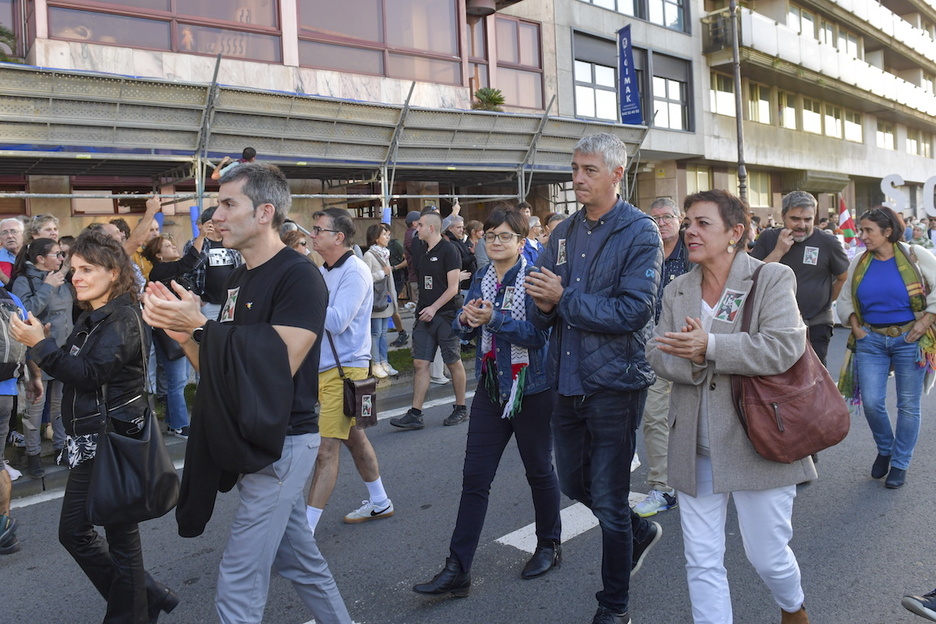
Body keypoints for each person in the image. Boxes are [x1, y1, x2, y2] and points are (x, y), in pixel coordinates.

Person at [141, 163, 351, 624]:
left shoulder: (299, 276)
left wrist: (201, 326)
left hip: (284, 443)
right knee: (300, 561)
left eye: (228, 204)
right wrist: (184, 335)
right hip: (253, 440)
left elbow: (279, 363)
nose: (216, 215)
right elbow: (222, 369)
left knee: (239, 577)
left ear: (264, 213)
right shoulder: (238, 278)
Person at [646, 189, 815, 624]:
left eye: (703, 223)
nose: (690, 231)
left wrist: (710, 347)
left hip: (758, 440)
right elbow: (657, 353)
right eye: (688, 223)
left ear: (735, 232)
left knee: (767, 556)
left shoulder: (769, 278)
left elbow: (784, 347)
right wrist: (694, 361)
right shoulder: (677, 289)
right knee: (701, 560)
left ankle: (792, 606)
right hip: (694, 445)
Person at [525, 133, 663, 624]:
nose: (577, 178)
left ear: (617, 174)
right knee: (573, 482)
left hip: (616, 383)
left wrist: (562, 298)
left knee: (608, 496)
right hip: (566, 380)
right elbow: (540, 308)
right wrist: (545, 305)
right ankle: (638, 530)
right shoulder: (563, 232)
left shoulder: (640, 231)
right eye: (574, 168)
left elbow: (634, 311)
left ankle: (614, 607)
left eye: (589, 170)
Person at [10, 229, 180, 623]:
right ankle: (148, 598)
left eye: (87, 269)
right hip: (93, 439)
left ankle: (135, 610)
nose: (77, 277)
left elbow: (88, 375)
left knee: (109, 538)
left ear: (114, 272)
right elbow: (81, 368)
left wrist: (40, 346)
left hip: (110, 439)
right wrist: (43, 344)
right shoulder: (95, 315)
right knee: (86, 534)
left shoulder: (122, 317)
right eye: (74, 269)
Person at [413, 206, 561, 598]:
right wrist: (466, 321)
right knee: (475, 478)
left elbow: (538, 336)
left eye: (505, 236)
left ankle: (549, 544)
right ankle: (457, 568)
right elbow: (467, 328)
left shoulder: (535, 278)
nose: (496, 242)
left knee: (539, 471)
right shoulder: (482, 276)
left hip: (531, 388)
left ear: (521, 241)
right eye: (491, 235)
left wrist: (493, 320)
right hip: (492, 388)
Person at [305, 210, 395, 535]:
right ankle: (380, 500)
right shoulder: (323, 270)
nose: (313, 235)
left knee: (326, 450)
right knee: (355, 438)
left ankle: (304, 533)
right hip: (328, 369)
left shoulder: (354, 270)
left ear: (338, 237)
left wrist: (302, 298)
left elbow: (336, 321)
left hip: (345, 371)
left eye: (319, 230)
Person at [836, 206, 936, 489]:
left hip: (910, 339)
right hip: (870, 340)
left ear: (888, 231)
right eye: (861, 230)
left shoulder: (915, 254)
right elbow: (846, 299)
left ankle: (900, 463)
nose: (862, 235)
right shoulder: (860, 261)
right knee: (871, 402)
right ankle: (886, 449)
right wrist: (856, 327)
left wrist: (925, 321)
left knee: (908, 405)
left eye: (868, 230)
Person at [633, 198, 690, 518]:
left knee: (704, 417)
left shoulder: (693, 253)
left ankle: (722, 474)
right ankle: (663, 487)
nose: (662, 223)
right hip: (654, 349)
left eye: (667, 216)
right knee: (655, 417)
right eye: (655, 218)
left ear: (679, 219)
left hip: (694, 349)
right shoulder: (642, 254)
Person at [751, 190, 849, 366]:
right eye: (795, 219)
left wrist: (824, 302)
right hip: (774, 324)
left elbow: (843, 278)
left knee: (814, 374)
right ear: (783, 216)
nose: (802, 225)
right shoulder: (768, 238)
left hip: (816, 323)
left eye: (807, 219)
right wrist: (778, 251)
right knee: (781, 374)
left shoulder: (828, 242)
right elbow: (754, 277)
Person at [390, 211, 469, 429]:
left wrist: (434, 308)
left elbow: (453, 288)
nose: (416, 229)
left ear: (431, 228)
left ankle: (461, 408)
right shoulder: (420, 248)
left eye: (420, 225)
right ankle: (415, 414)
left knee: (453, 361)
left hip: (446, 315)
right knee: (420, 363)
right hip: (425, 315)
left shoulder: (449, 250)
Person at [11, 237, 72, 477]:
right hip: (36, 352)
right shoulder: (24, 281)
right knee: (35, 406)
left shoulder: (61, 278)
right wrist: (47, 286)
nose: (61, 258)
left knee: (59, 403)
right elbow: (26, 313)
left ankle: (61, 448)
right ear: (40, 259)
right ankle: (33, 455)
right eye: (57, 254)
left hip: (62, 351)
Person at [143, 233, 206, 437]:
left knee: (180, 379)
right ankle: (179, 424)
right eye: (168, 246)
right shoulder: (160, 270)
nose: (174, 247)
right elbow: (189, 261)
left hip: (182, 330)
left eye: (172, 244)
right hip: (170, 332)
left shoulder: (173, 273)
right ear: (158, 255)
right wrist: (202, 235)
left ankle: (173, 422)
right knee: (177, 381)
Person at [0, 284, 40, 555]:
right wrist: (35, 377)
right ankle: (4, 525)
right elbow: (29, 339)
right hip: (5, 391)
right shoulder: (10, 297)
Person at [182, 205, 243, 323]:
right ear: (211, 223)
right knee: (210, 333)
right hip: (208, 303)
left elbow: (239, 269)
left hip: (230, 301)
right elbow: (187, 270)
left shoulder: (231, 243)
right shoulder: (196, 244)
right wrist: (199, 300)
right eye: (222, 221)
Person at [363, 223, 400, 378]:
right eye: (384, 235)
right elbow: (365, 278)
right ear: (375, 238)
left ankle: (384, 362)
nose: (387, 237)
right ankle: (376, 363)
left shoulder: (385, 254)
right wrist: (381, 273)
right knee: (376, 333)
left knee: (384, 333)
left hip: (385, 300)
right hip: (376, 301)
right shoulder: (369, 255)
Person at [0, 217, 24, 284]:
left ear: (23, 234)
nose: (10, 236)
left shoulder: (33, 255)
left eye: (14, 231)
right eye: (4, 233)